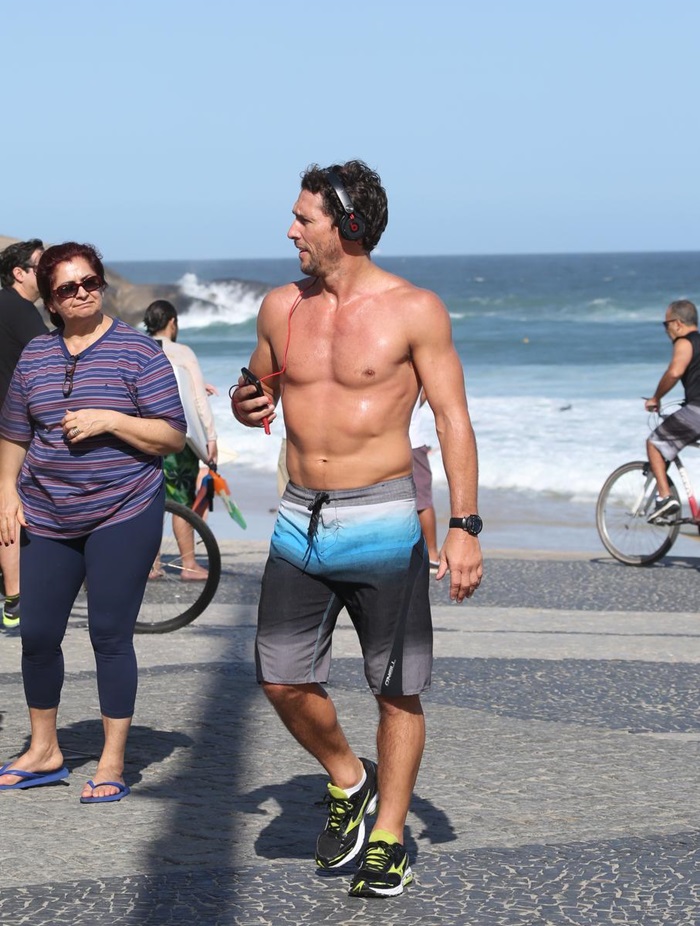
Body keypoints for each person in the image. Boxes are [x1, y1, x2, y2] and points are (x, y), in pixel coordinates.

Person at [231, 160, 483, 898]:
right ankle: (349, 778)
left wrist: (464, 525)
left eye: (303, 218)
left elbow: (453, 419)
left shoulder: (414, 309)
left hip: (382, 518)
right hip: (299, 518)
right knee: (280, 678)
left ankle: (387, 837)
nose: (290, 230)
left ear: (345, 226)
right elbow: (259, 380)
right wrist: (250, 400)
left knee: (396, 690)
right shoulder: (282, 306)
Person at [0, 242, 186, 802]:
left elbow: (172, 435)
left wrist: (111, 420)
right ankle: (44, 749)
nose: (82, 293)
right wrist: (6, 490)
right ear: (51, 301)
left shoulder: (138, 353)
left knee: (108, 634)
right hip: (48, 514)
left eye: (90, 282)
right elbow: (14, 434)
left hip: (121, 511)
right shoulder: (35, 356)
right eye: (67, 288)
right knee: (36, 634)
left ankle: (111, 759)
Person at [143, 299, 218, 580]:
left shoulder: (138, 347)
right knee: (181, 501)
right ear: (172, 321)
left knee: (148, 501)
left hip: (143, 437)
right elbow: (197, 401)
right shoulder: (183, 352)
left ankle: (152, 565)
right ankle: (188, 564)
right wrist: (211, 438)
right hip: (177, 439)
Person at [0, 239, 47, 629]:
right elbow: (51, 361)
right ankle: (14, 602)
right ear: (20, 273)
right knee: (12, 512)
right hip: (13, 429)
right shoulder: (20, 311)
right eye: (40, 266)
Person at [644, 299, 700, 521]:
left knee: (655, 443)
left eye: (665, 324)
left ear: (677, 323)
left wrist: (656, 397)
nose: (666, 329)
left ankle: (665, 497)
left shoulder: (685, 342)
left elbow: (675, 372)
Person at [410, 390, 440, 567]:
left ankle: (432, 555)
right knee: (423, 501)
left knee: (421, 501)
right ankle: (432, 554)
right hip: (412, 442)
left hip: (407, 441)